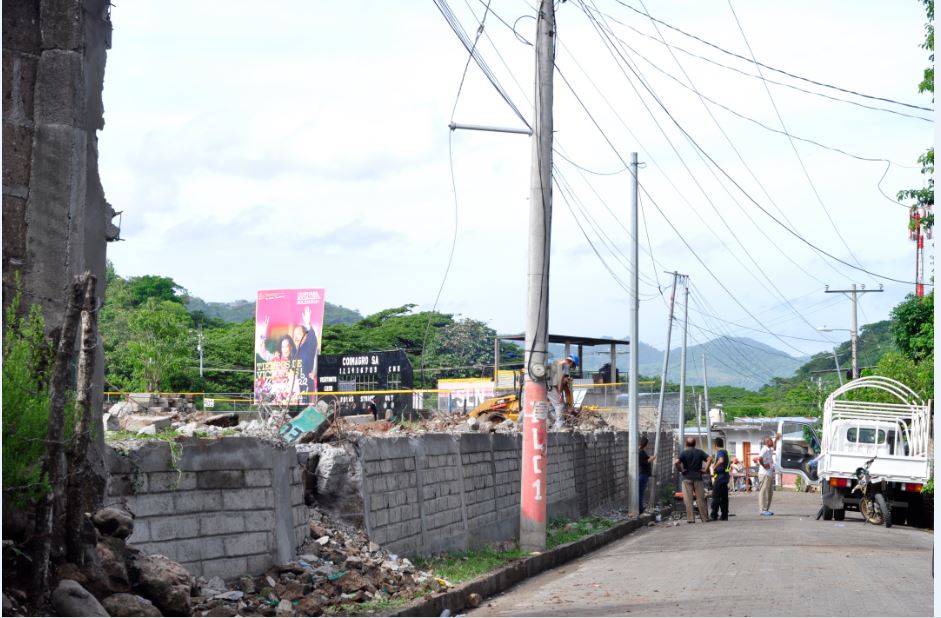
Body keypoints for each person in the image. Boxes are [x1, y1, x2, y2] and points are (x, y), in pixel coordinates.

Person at [674, 436, 712, 523]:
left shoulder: (684, 453)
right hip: (698, 478)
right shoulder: (699, 452)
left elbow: (676, 462)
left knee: (688, 499)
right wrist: (705, 469)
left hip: (687, 478)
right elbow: (710, 459)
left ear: (686, 444)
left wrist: (681, 470)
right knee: (700, 498)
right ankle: (705, 518)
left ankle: (690, 519)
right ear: (695, 444)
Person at [546, 355, 578, 430]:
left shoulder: (557, 362)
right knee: (560, 405)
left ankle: (552, 422)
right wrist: (560, 394)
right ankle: (560, 426)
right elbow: (560, 379)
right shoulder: (566, 365)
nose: (571, 367)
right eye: (573, 365)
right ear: (571, 362)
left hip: (546, 386)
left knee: (550, 405)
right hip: (552, 387)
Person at [755, 432, 782, 516]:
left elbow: (773, 446)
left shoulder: (769, 449)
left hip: (769, 474)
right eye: (770, 440)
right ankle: (763, 510)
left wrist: (776, 439)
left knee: (769, 492)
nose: (772, 442)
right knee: (764, 491)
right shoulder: (764, 449)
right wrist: (763, 465)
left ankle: (766, 509)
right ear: (767, 442)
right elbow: (759, 458)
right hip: (764, 474)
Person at [710, 437, 730, 521]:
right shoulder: (726, 452)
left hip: (720, 478)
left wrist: (714, 467)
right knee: (724, 498)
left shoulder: (720, 452)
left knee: (716, 497)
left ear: (715, 445)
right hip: (725, 478)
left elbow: (721, 461)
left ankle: (714, 515)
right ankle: (724, 515)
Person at [638, 436, 656, 513]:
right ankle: (640, 510)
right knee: (640, 492)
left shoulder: (642, 451)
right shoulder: (641, 452)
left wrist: (649, 457)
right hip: (643, 475)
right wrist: (650, 459)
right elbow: (642, 463)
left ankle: (640, 509)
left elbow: (644, 458)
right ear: (646, 444)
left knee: (641, 492)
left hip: (644, 475)